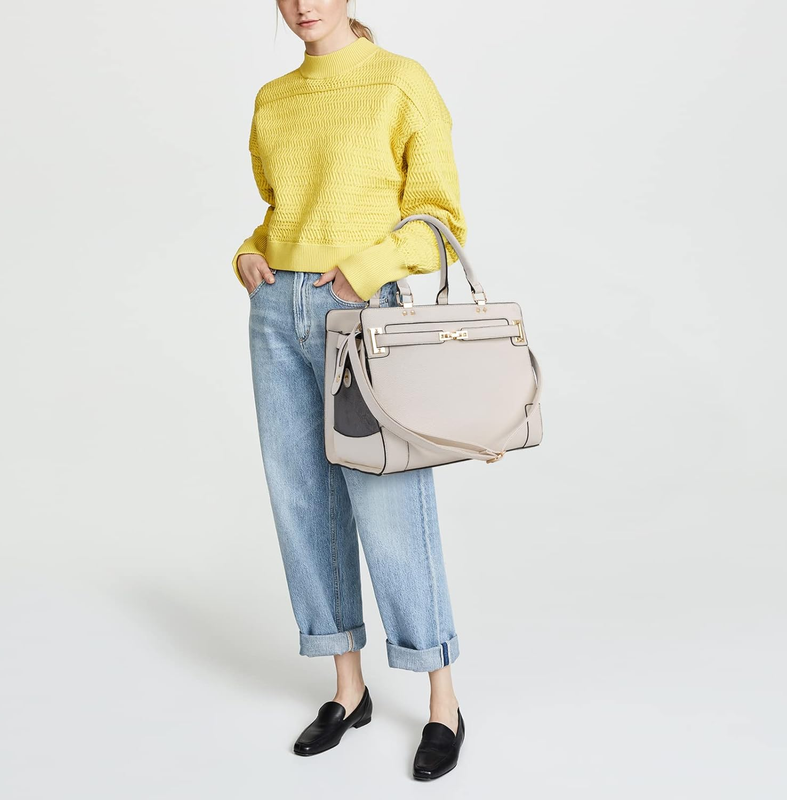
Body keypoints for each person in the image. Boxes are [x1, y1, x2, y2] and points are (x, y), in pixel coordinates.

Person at [231, 0, 467, 780]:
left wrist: (366, 272)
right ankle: (347, 689)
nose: (303, 5)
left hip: (364, 313)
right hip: (277, 311)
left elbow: (439, 219)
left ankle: (442, 701)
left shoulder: (400, 82)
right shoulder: (274, 99)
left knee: (391, 499)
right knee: (302, 496)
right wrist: (250, 252)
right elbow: (283, 211)